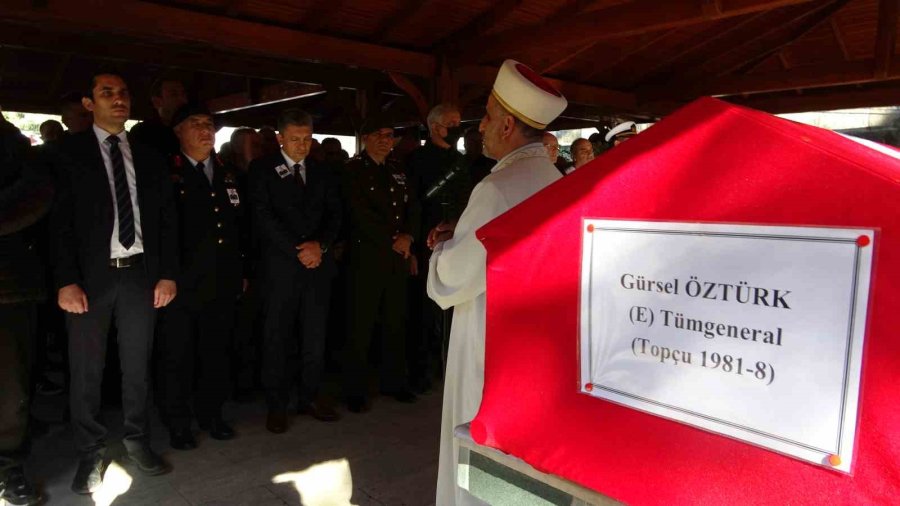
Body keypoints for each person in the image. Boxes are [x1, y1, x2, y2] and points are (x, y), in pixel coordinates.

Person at [426, 59, 567, 505]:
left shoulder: (497, 188)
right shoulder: (553, 178)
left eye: (486, 116)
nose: (480, 126)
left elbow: (458, 276)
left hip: (490, 339)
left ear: (507, 125)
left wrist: (439, 251)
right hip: (536, 345)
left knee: (477, 442)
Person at [51, 71, 178, 494]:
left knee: (137, 364)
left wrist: (167, 273)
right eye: (107, 93)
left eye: (123, 92)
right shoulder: (67, 152)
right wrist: (66, 280)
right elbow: (59, 224)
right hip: (89, 277)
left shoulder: (148, 155)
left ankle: (137, 439)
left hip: (140, 274)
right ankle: (90, 450)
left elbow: (165, 221)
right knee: (86, 368)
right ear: (89, 103)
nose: (117, 99)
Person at [157, 104, 245, 450]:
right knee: (177, 354)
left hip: (222, 279)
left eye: (209, 124)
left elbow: (241, 227)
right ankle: (178, 422)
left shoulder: (228, 171)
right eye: (196, 124)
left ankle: (212, 414)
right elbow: (159, 229)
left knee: (216, 351)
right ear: (178, 131)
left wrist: (242, 271)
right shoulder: (166, 170)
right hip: (180, 281)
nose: (205, 130)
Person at [249, 109, 342, 433]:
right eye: (294, 139)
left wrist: (321, 247)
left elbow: (335, 215)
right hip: (280, 269)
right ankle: (277, 404)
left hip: (317, 266)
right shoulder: (261, 170)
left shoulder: (323, 171)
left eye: (306, 139)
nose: (301, 145)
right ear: (279, 139)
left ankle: (310, 396)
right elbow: (262, 218)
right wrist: (297, 250)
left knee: (315, 337)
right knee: (277, 337)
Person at [342, 117, 421, 413]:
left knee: (395, 321)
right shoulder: (352, 171)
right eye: (379, 134)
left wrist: (409, 236)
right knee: (360, 326)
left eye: (390, 135)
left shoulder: (398, 169)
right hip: (365, 258)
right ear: (364, 138)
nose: (386, 140)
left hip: (397, 258)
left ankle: (394, 382)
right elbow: (358, 214)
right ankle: (355, 390)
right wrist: (394, 238)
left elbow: (413, 207)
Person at [0, 111, 52, 506]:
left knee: (10, 387)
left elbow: (36, 191)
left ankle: (8, 466)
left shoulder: (10, 141)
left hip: (7, 284)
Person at [406, 104, 471, 394]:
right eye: (451, 123)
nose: (457, 128)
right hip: (425, 241)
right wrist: (416, 247)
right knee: (423, 310)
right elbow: (413, 205)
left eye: (459, 123)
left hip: (457, 240)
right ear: (434, 127)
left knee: (454, 309)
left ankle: (449, 370)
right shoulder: (415, 160)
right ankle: (421, 371)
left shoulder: (463, 161)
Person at [130, 75, 188, 157]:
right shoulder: (143, 132)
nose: (183, 100)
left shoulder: (191, 130)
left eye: (183, 94)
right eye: (174, 95)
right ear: (156, 102)